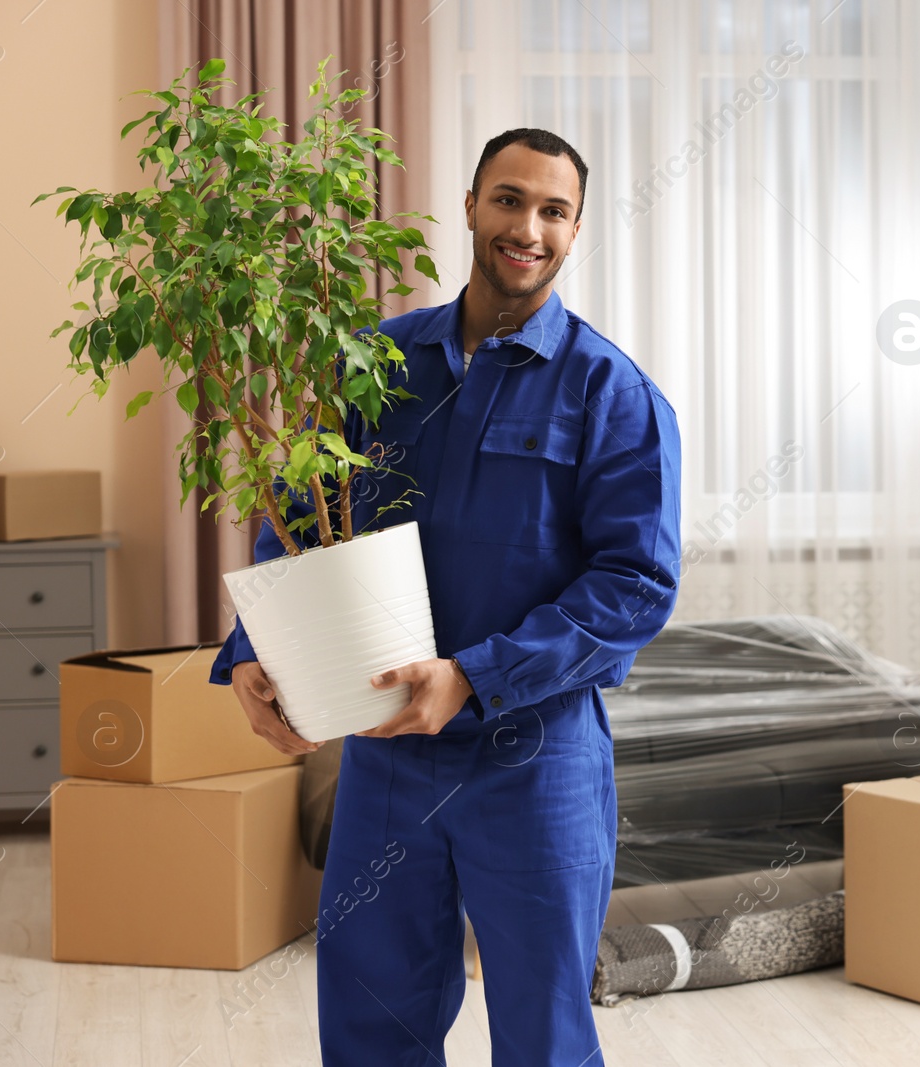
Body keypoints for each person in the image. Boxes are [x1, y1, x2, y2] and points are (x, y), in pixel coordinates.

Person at [208, 128, 682, 1066]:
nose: (528, 228)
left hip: (535, 760)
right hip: (388, 760)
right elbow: (298, 514)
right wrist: (257, 648)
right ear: (470, 207)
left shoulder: (613, 394)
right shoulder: (374, 366)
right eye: (509, 200)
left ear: (577, 230)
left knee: (543, 1034)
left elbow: (636, 586)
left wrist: (475, 674)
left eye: (554, 211)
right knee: (369, 1022)